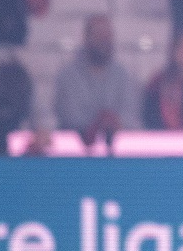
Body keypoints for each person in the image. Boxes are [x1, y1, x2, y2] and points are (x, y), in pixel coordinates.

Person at [53, 13, 141, 152]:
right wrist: (98, 123)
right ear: (87, 38)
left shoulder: (123, 75)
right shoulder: (67, 75)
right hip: (75, 155)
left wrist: (113, 123)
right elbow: (69, 117)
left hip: (119, 156)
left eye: (108, 36)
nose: (104, 40)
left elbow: (131, 115)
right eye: (99, 34)